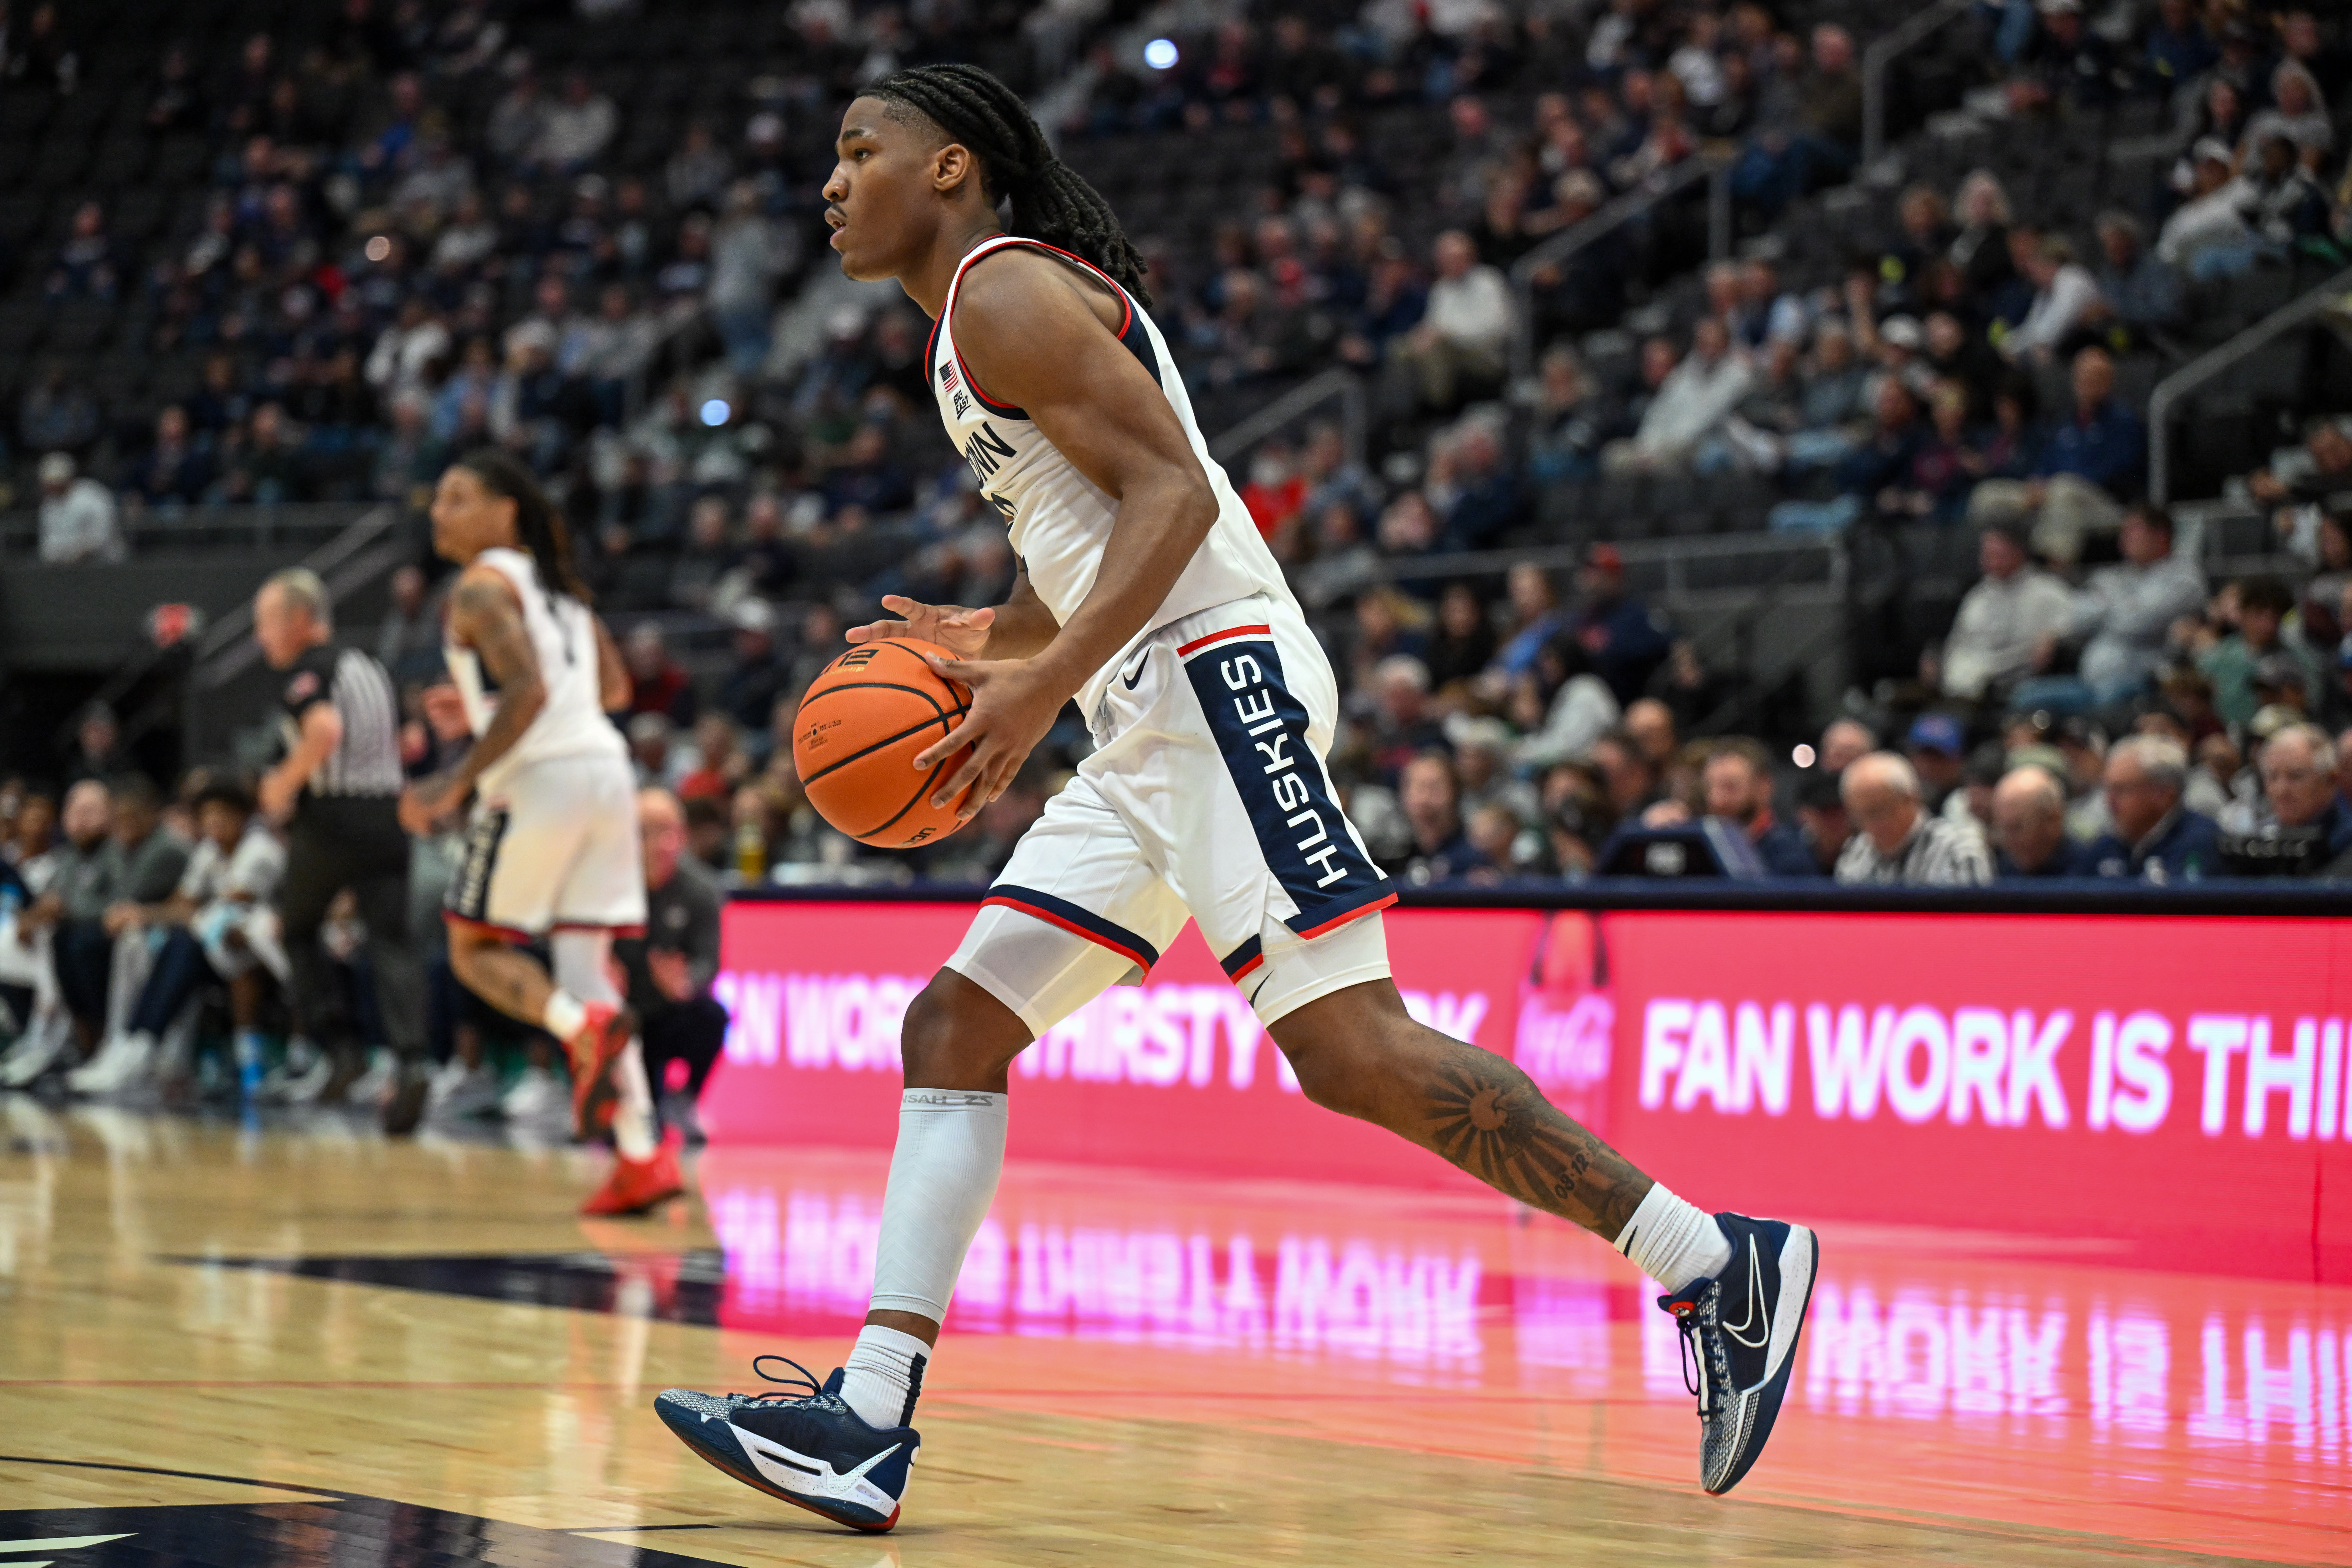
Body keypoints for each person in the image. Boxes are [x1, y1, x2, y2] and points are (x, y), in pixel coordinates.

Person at [656, 63, 1818, 1531]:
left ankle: (1717, 1261)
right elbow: (1093, 532)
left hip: (1213, 684)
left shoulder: (1002, 291)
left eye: (858, 149)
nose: (830, 183)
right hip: (1143, 712)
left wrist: (1037, 683)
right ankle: (867, 1415)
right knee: (956, 1019)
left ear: (950, 167)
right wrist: (992, 642)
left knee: (1348, 1048)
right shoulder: (977, 324)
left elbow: (1179, 503)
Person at [400, 450, 680, 1215]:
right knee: (588, 966)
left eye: (458, 498)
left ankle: (572, 1025)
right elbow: (613, 690)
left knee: (474, 946)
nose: (439, 513)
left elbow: (524, 694)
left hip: (538, 781)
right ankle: (642, 1154)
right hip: (606, 773)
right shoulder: (564, 594)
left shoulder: (481, 586)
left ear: (505, 513)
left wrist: (450, 781)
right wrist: (490, 714)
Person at [74, 779, 285, 1095]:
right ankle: (131, 1041)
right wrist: (155, 915)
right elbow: (182, 902)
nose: (213, 823)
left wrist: (148, 914)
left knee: (183, 942)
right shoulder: (209, 850)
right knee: (161, 943)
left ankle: (142, 1045)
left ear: (242, 816)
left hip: (266, 953)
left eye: (222, 815)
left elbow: (228, 906)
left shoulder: (261, 850)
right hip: (220, 950)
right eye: (208, 816)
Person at [619, 787, 727, 1143]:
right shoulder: (610, 884)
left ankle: (686, 1100)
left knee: (713, 1016)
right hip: (624, 1015)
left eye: (670, 830)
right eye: (648, 830)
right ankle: (578, 1098)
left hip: (668, 1012)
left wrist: (686, 983)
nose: (661, 842)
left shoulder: (700, 889)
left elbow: (709, 960)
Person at [1937, 525, 2073, 706]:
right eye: (1986, 555)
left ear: (2019, 552)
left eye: (1996, 554)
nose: (1988, 561)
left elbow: (2074, 624)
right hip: (1966, 683)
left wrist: (2053, 637)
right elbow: (1957, 643)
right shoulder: (1978, 597)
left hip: (2017, 678)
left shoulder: (2048, 590)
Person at [1834, 752, 1992, 885]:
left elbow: (1970, 918)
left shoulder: (1959, 847)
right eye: (1861, 816)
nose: (1871, 824)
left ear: (1912, 799)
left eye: (1879, 811)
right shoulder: (1857, 852)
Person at [2218, 722, 2352, 876]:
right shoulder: (2259, 841)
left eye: (2295, 776)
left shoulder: (2347, 843)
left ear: (2331, 780)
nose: (2281, 790)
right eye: (2273, 777)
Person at [2085, 734, 2218, 882]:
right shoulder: (2107, 846)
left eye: (2121, 790)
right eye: (2108, 789)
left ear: (2163, 794)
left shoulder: (2202, 844)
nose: (2109, 801)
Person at [1700, 739, 1816, 876]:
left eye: (1730, 787)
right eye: (1709, 788)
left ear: (1764, 787)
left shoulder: (1791, 856)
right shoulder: (1701, 849)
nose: (1716, 800)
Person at [1989, 765, 2088, 877]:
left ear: (2053, 820)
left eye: (2017, 827)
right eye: (2003, 828)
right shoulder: (1998, 874)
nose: (2009, 842)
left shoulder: (2088, 874)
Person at [36, 451, 125, 565]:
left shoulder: (92, 495)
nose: (51, 488)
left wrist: (81, 550)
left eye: (55, 482)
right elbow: (48, 543)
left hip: (104, 564)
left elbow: (103, 535)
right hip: (65, 569)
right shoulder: (49, 505)